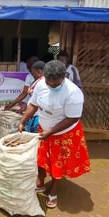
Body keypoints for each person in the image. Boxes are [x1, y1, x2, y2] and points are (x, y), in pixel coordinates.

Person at [18, 60, 91, 208]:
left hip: (64, 133)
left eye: (55, 82)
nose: (51, 84)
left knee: (57, 163)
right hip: (44, 129)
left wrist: (51, 132)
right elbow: (33, 104)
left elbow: (73, 117)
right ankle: (40, 181)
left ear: (63, 77)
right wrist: (23, 121)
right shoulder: (40, 84)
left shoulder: (73, 92)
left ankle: (54, 190)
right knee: (41, 158)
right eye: (48, 81)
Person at [24, 60, 45, 133]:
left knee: (36, 137)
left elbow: (38, 102)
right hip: (34, 113)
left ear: (39, 72)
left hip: (38, 115)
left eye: (33, 73)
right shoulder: (38, 81)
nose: (32, 75)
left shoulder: (43, 83)